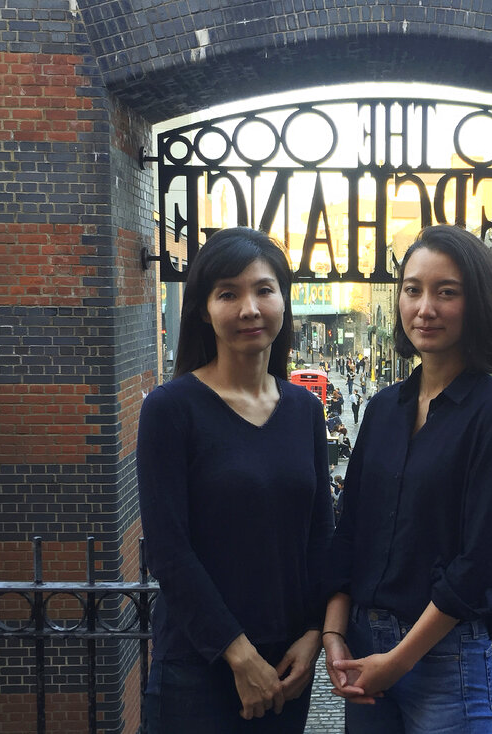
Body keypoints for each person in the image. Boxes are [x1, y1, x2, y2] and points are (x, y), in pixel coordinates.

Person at [322, 224, 492, 733]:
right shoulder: (382, 409)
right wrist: (333, 634)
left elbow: (481, 561)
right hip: (363, 643)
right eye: (413, 289)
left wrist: (398, 661)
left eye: (447, 292)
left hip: (445, 655)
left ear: (476, 303)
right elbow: (351, 530)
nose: (425, 308)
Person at [136, 227, 334, 734]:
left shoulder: (304, 411)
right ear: (204, 309)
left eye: (264, 290)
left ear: (284, 301)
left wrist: (314, 633)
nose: (250, 308)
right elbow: (167, 549)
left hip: (287, 664)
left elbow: (320, 538)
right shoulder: (170, 409)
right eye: (229, 293)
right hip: (199, 666)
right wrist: (239, 656)